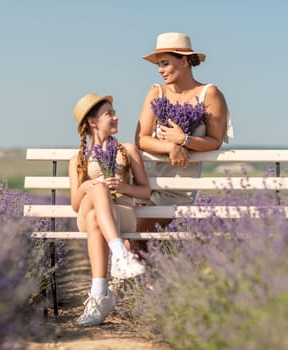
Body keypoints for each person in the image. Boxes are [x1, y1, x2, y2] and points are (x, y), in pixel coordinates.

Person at [134, 32, 233, 235]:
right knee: (135, 241)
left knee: (136, 239)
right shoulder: (156, 92)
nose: (160, 70)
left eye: (165, 63)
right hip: (146, 181)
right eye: (159, 65)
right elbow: (141, 139)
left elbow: (215, 141)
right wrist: (171, 146)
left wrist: (184, 140)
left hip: (177, 188)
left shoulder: (210, 93)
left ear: (185, 61)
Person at [69, 93, 151, 326]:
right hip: (85, 212)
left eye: (114, 113)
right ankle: (121, 255)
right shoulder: (78, 158)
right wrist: (90, 185)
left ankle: (98, 295)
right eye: (109, 114)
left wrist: (124, 186)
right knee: (97, 192)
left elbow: (145, 191)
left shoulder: (128, 150)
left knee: (97, 216)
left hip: (121, 214)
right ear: (93, 122)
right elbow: (75, 203)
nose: (116, 117)